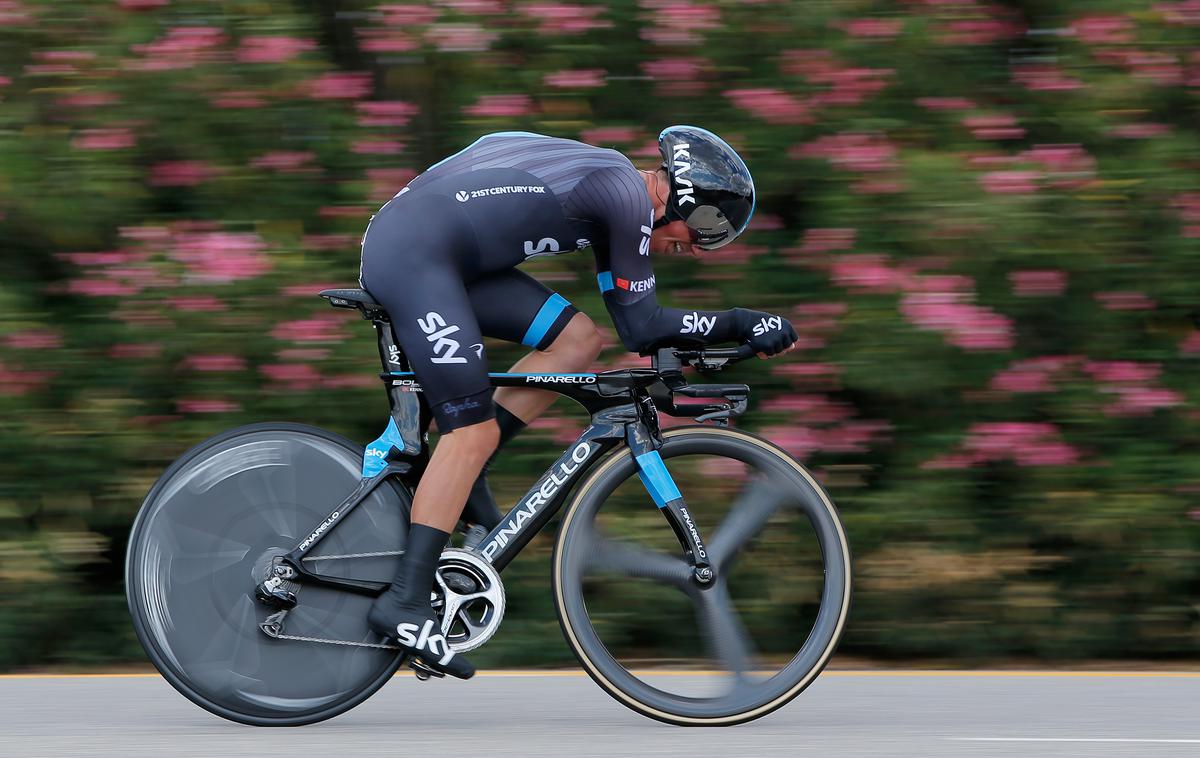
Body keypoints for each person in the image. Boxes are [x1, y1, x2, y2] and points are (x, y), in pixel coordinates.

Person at [358, 126, 798, 678]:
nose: (700, 248)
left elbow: (628, 327)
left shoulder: (609, 188)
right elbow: (641, 328)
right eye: (707, 228)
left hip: (445, 253)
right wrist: (741, 322)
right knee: (469, 431)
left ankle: (466, 473)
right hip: (417, 254)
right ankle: (404, 602)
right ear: (682, 197)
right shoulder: (623, 196)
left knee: (578, 342)